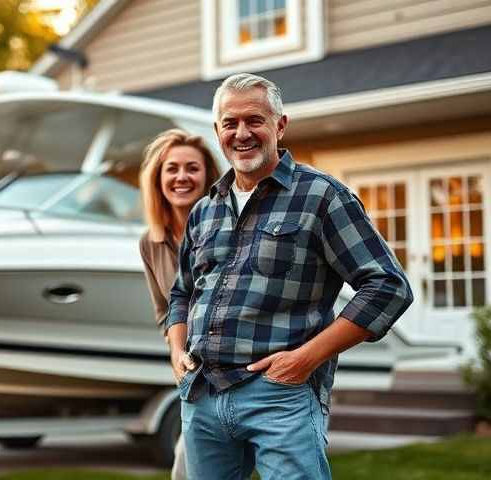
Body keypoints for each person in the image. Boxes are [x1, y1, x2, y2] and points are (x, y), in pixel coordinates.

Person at [165, 73, 414, 480]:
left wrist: (304, 360)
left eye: (254, 120)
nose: (242, 133)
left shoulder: (321, 196)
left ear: (280, 126)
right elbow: (182, 293)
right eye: (230, 123)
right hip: (203, 394)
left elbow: (388, 286)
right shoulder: (205, 208)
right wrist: (178, 354)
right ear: (217, 131)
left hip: (280, 395)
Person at [139, 129, 219, 480]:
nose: (182, 177)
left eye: (192, 168)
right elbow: (164, 310)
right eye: (172, 169)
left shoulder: (226, 225)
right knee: (186, 469)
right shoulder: (150, 243)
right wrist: (176, 351)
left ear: (208, 176)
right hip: (195, 376)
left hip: (247, 368)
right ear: (158, 179)